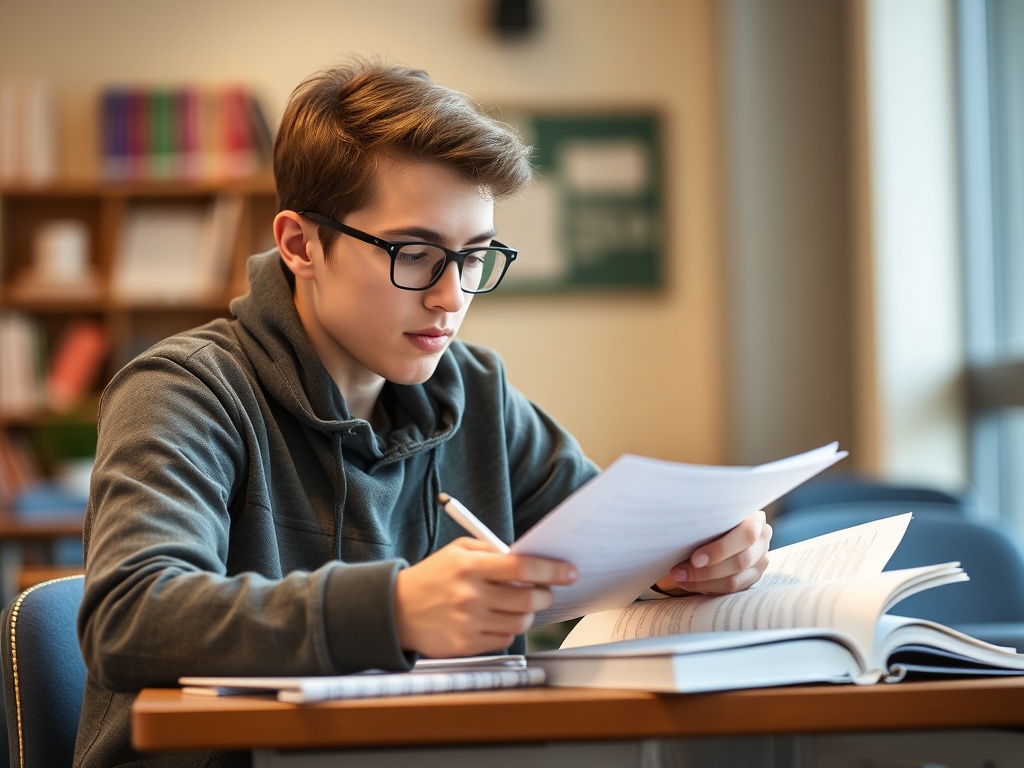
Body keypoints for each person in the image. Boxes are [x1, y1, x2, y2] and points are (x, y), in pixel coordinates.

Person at [75, 58, 772, 767]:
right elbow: (131, 616)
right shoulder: (183, 390)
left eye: (473, 257)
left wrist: (688, 557)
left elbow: (610, 538)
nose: (449, 298)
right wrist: (396, 608)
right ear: (299, 244)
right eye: (415, 253)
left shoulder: (476, 393)